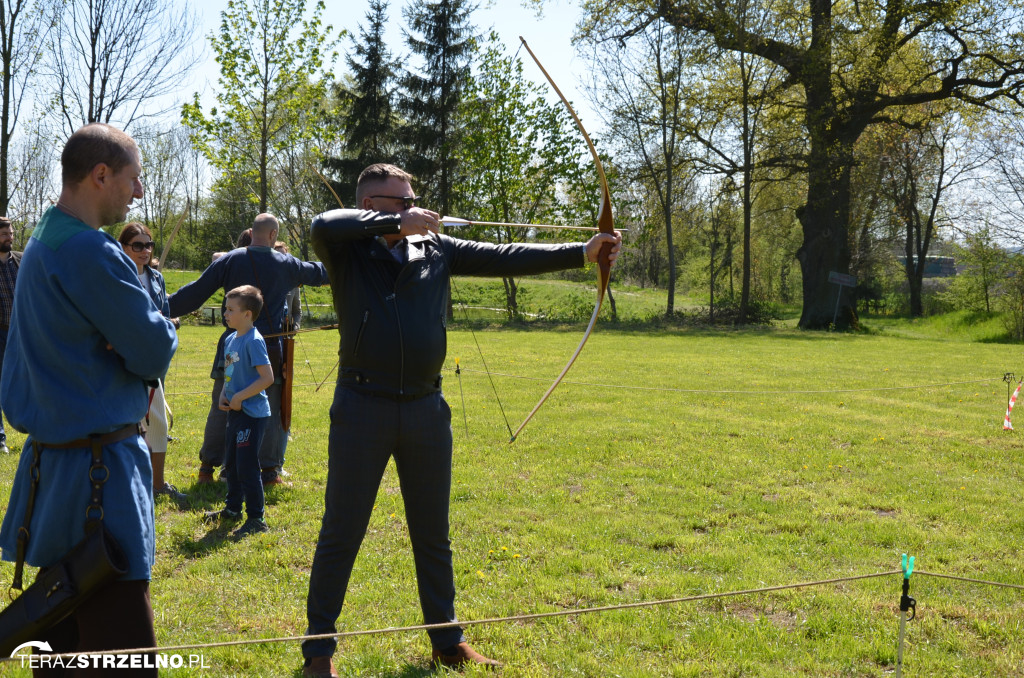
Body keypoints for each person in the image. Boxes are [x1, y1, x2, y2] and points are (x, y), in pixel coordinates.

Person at [300, 163, 622, 677]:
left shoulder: (435, 249)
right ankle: (319, 653)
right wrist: (393, 225)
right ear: (373, 203)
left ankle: (447, 641)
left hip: (427, 408)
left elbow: (506, 255)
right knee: (342, 530)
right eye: (402, 202)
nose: (414, 209)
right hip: (363, 405)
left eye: (413, 201)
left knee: (433, 530)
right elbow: (324, 223)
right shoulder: (346, 247)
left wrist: (582, 252)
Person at [0, 123, 177, 673]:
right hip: (97, 489)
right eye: (133, 178)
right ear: (101, 175)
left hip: (58, 479)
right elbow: (154, 348)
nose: (139, 192)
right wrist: (146, 339)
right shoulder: (87, 251)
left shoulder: (44, 239)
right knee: (119, 660)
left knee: (63, 659)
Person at [168, 214, 327, 487]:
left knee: (224, 402)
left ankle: (208, 467)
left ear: (252, 232)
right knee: (269, 407)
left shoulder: (231, 259)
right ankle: (268, 472)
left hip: (233, 344)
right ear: (274, 235)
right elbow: (320, 273)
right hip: (268, 347)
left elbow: (195, 292)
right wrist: (350, 255)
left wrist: (159, 307)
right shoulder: (286, 263)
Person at [118, 222, 186, 502]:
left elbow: (166, 315)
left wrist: (169, 322)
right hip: (121, 362)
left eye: (148, 245)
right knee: (126, 425)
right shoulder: (117, 275)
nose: (144, 251)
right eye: (137, 245)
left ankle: (158, 484)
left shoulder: (157, 278)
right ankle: (126, 485)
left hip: (152, 362)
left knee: (158, 423)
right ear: (123, 247)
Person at [202, 285, 274, 538]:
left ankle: (257, 518)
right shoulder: (231, 339)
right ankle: (232, 509)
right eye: (225, 308)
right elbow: (229, 375)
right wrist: (225, 394)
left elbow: (267, 378)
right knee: (230, 463)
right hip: (235, 411)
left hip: (253, 414)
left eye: (231, 309)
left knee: (246, 466)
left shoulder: (254, 341)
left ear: (248, 314)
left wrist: (241, 398)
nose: (225, 313)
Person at [0, 216, 21, 455]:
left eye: (11, 233)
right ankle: (0, 438)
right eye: (5, 234)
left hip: (23, 332)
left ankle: (40, 427)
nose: (10, 237)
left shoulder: (21, 260)